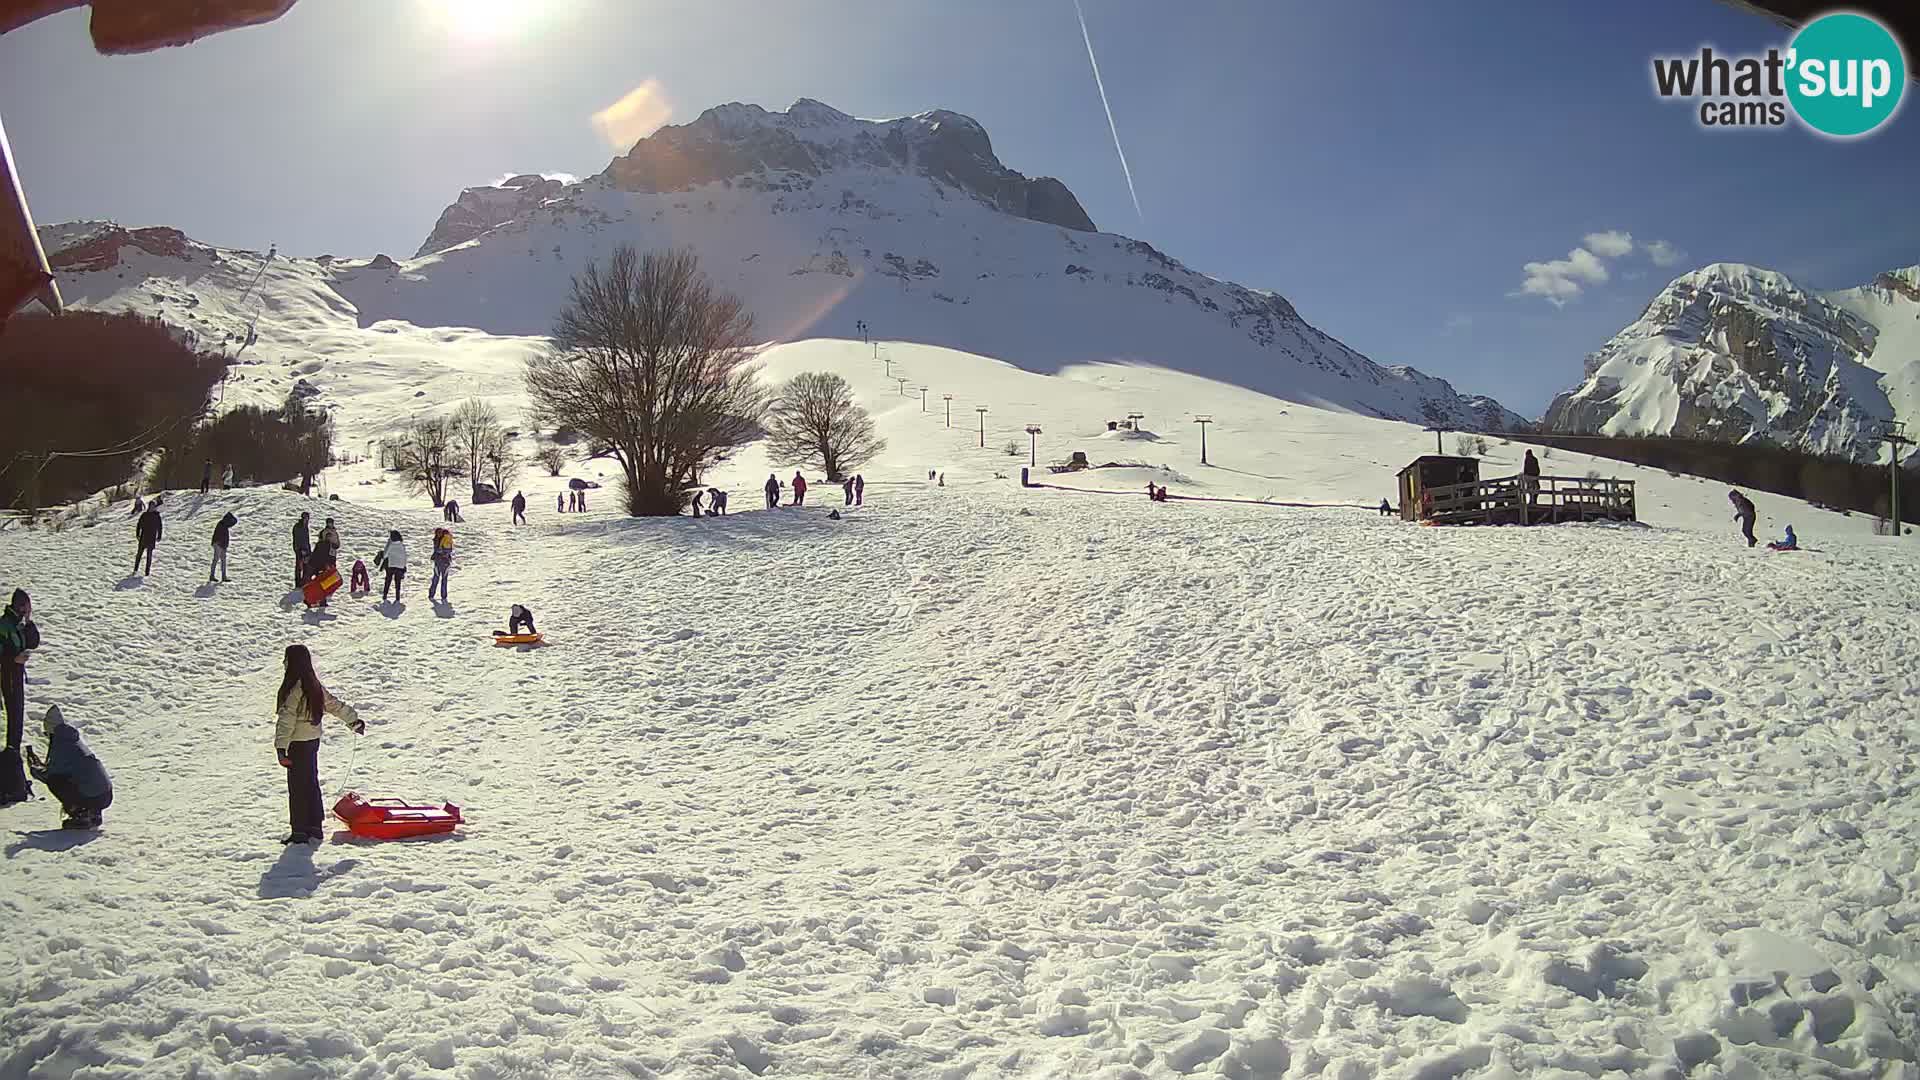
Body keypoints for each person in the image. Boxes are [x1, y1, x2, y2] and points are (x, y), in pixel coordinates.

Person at [274, 644, 364, 844]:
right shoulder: (312, 684)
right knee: (311, 783)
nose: (284, 663)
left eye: (286, 659)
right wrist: (353, 721)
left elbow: (286, 720)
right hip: (312, 741)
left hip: (296, 744)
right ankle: (315, 827)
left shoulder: (294, 688)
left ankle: (300, 831)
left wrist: (281, 748)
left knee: (298, 788)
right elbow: (333, 704)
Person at [24, 706, 111, 830]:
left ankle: (81, 814)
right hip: (105, 794)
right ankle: (93, 813)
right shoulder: (72, 741)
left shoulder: (60, 745)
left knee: (55, 782)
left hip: (94, 797)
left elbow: (51, 775)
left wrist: (34, 768)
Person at [375, 529, 408, 602]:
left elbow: (385, 555)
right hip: (400, 566)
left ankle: (385, 595)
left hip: (391, 565)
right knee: (398, 582)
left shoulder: (391, 544)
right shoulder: (402, 545)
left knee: (388, 581)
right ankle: (397, 597)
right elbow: (404, 556)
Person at [134, 502, 162, 576]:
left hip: (151, 538)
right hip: (143, 537)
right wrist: (137, 534)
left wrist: (159, 536)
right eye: (151, 506)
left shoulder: (157, 516)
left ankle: (147, 572)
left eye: (153, 506)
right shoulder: (144, 515)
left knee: (149, 555)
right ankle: (135, 569)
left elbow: (160, 527)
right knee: (139, 554)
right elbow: (139, 524)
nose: (152, 508)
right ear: (149, 507)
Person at [427, 527, 453, 603]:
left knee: (440, 578)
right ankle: (434, 595)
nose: (438, 534)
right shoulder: (438, 540)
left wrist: (439, 552)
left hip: (443, 562)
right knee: (438, 578)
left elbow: (446, 550)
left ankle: (441, 596)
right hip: (440, 562)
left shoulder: (445, 540)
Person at [210, 511, 236, 582]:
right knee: (216, 560)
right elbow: (219, 537)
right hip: (218, 544)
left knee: (223, 561)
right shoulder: (222, 524)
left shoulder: (224, 524)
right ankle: (212, 576)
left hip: (222, 545)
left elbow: (234, 521)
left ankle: (223, 577)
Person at [293, 511, 312, 587]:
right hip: (300, 549)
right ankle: (298, 583)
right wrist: (300, 549)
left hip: (306, 549)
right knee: (299, 566)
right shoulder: (298, 527)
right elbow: (298, 539)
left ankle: (304, 582)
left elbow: (307, 539)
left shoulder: (305, 527)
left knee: (306, 566)